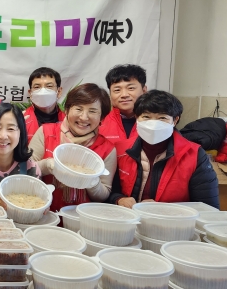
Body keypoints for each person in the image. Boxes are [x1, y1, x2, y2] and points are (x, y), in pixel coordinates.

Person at [109, 90, 219, 209]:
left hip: (173, 220)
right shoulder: (120, 150)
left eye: (162, 118)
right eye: (146, 117)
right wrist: (118, 199)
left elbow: (208, 208)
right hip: (129, 218)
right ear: (136, 118)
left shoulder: (194, 155)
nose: (153, 124)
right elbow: (107, 191)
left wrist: (164, 210)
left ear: (175, 120)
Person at [29, 83, 116, 211]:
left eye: (92, 111)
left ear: (101, 117)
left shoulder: (107, 149)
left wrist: (91, 180)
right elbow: (26, 170)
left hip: (80, 217)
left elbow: (103, 195)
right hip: (43, 212)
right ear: (67, 110)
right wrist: (47, 165)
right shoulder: (46, 132)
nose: (84, 117)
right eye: (78, 109)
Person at [100, 64, 147, 144]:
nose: (124, 95)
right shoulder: (99, 122)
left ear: (144, 91)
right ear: (110, 94)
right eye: (117, 90)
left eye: (131, 88)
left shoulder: (157, 121)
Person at [23, 67, 66, 142]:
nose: (43, 92)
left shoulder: (68, 120)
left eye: (49, 86)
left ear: (59, 92)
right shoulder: (22, 119)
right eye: (37, 87)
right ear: (30, 93)